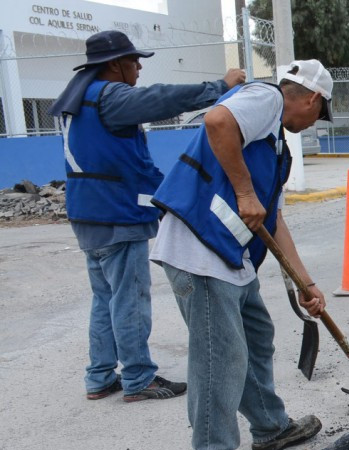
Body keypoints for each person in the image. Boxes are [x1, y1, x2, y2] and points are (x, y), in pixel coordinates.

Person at [149, 60, 333, 450]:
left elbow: (274, 221)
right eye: (319, 113)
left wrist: (306, 283)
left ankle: (270, 427)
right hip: (199, 249)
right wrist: (245, 192)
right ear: (311, 99)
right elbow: (217, 120)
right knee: (220, 356)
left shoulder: (276, 149)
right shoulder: (266, 98)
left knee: (256, 336)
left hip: (230, 256)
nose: (314, 123)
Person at [49, 30, 245, 402]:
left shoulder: (80, 97)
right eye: (133, 61)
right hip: (116, 214)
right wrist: (219, 87)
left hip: (88, 213)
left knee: (105, 297)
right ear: (114, 65)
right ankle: (138, 378)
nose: (139, 67)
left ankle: (99, 376)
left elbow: (121, 158)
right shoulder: (111, 97)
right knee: (130, 299)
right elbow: (161, 99)